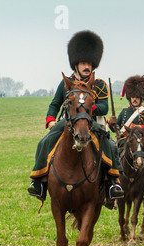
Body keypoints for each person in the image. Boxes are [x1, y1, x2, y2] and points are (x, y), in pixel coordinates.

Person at [27, 30, 124, 206]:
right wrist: (50, 119)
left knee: (110, 145)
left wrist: (87, 105)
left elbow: (103, 107)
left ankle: (112, 184)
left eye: (89, 63)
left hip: (90, 122)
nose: (86, 66)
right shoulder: (66, 83)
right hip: (68, 122)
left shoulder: (99, 85)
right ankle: (38, 182)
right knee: (44, 142)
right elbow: (55, 104)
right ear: (76, 65)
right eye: (83, 63)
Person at [108, 75, 144, 204]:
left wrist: (140, 128)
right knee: (112, 157)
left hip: (142, 141)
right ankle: (112, 188)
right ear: (129, 97)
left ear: (141, 97)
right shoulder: (123, 112)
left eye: (137, 97)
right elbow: (117, 130)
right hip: (124, 141)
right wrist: (112, 124)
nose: (135, 99)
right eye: (133, 97)